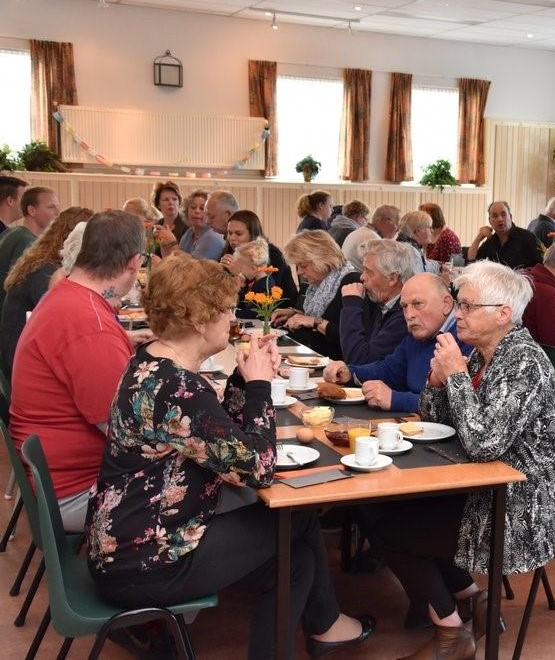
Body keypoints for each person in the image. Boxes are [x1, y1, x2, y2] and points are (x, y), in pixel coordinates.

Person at [85, 255, 373, 660]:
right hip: (149, 559)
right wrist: (258, 387)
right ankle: (325, 626)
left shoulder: (152, 364)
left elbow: (218, 436)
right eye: (224, 309)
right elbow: (257, 469)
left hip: (126, 542)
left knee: (298, 559)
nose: (231, 318)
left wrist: (243, 378)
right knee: (297, 521)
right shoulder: (179, 388)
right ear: (199, 319)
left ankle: (324, 628)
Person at [371, 260, 555, 659]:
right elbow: (444, 423)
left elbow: (483, 443)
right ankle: (472, 603)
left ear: (503, 314)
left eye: (467, 307)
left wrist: (457, 376)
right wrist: (437, 384)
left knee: (392, 531)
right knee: (387, 510)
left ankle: (452, 636)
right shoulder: (488, 354)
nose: (457, 315)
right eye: (458, 305)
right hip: (488, 484)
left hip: (526, 505)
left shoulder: (523, 363)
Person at [9, 211, 149, 532]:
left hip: (60, 479)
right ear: (134, 262)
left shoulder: (67, 295)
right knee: (218, 486)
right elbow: (128, 435)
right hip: (76, 492)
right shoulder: (89, 325)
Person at [323, 273, 471, 412]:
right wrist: (350, 373)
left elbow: (456, 410)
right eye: (404, 307)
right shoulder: (418, 336)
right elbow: (388, 371)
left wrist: (395, 399)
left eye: (418, 304)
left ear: (445, 304)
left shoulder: (467, 340)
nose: (409, 315)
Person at [1, 207, 93, 379]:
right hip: (22, 370)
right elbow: (68, 325)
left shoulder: (42, 262)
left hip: (23, 359)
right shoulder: (45, 272)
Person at [271, 231, 352, 359]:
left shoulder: (350, 282)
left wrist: (313, 321)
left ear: (322, 258)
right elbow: (324, 317)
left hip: (335, 364)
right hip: (315, 357)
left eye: (303, 266)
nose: (299, 272)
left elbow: (349, 336)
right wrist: (295, 313)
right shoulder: (320, 284)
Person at [338, 239, 414, 365]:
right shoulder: (383, 304)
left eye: (369, 271)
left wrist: (351, 306)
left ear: (392, 278)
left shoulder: (404, 316)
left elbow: (359, 361)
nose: (362, 277)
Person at [220, 209, 299, 308]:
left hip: (277, 313)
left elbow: (267, 298)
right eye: (230, 233)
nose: (232, 238)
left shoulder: (271, 254)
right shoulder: (230, 251)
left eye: (238, 234)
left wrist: (238, 273)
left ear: (253, 234)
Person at [0, 186, 61, 306]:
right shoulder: (26, 241)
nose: (57, 213)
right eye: (51, 207)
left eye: (57, 207)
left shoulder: (13, 233)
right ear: (31, 210)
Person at [467, 201, 543, 270]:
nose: (500, 219)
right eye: (495, 216)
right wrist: (479, 237)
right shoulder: (491, 241)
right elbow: (471, 261)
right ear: (490, 221)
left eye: (503, 215)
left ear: (510, 217)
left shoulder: (527, 237)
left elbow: (540, 267)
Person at [232, 237, 278, 320]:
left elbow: (257, 313)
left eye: (241, 268)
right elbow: (244, 304)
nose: (240, 271)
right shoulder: (253, 281)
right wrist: (240, 289)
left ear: (253, 268)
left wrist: (233, 312)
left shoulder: (266, 285)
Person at [174, 190, 223, 261]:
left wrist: (172, 243)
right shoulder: (190, 232)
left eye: (202, 208)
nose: (197, 211)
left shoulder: (213, 236)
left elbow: (193, 267)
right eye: (193, 207)